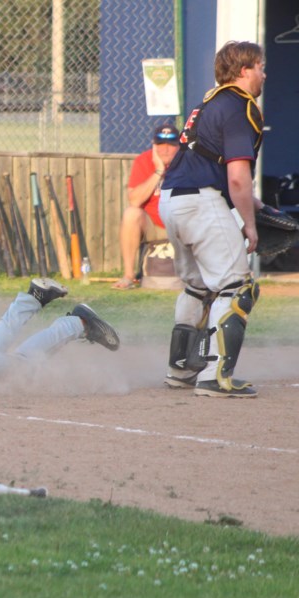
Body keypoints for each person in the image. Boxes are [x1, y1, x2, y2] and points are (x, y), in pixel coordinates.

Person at [159, 40, 268, 398]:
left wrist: (258, 208)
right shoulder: (239, 106)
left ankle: (181, 370)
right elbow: (237, 177)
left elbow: (218, 169)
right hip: (201, 202)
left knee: (199, 286)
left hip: (172, 199)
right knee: (237, 286)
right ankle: (214, 376)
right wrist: (249, 225)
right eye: (260, 67)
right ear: (244, 71)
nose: (264, 74)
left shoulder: (208, 103)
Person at [112, 123, 181, 289]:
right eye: (161, 145)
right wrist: (158, 171)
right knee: (131, 214)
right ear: (153, 145)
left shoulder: (188, 162)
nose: (165, 150)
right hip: (153, 224)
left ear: (179, 146)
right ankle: (129, 275)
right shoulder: (143, 160)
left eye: (171, 145)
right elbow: (134, 200)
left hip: (181, 222)